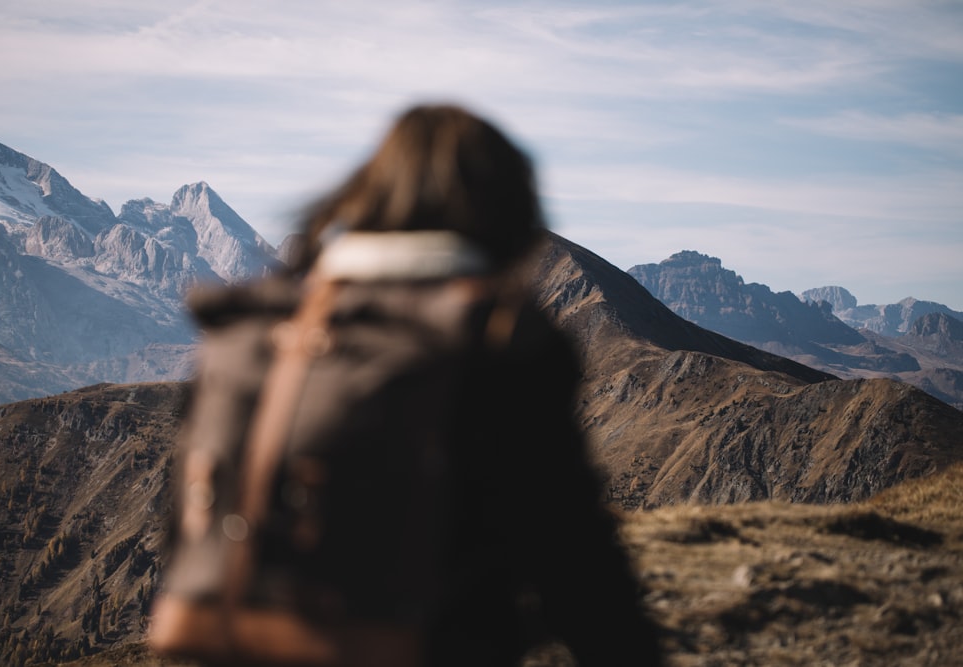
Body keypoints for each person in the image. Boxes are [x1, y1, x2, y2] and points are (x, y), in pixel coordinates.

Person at [152, 103, 663, 666]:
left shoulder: (247, 330)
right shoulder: (494, 337)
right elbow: (573, 557)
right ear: (507, 211)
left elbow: (187, 532)